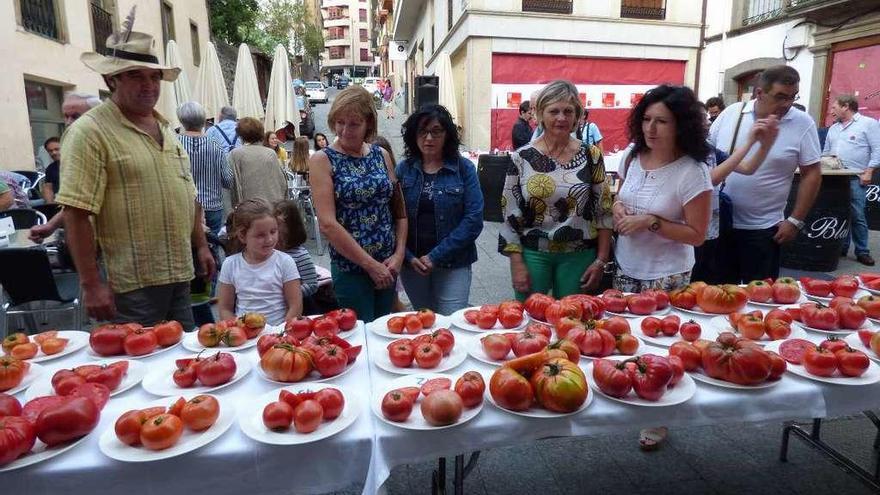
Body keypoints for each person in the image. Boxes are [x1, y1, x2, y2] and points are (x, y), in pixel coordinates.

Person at [59, 30, 215, 328]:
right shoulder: (89, 132)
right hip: (129, 285)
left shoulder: (168, 130)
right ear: (111, 80)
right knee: (138, 367)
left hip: (180, 273)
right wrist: (91, 285)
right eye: (135, 76)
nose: (149, 85)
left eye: (154, 77)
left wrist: (201, 246)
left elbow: (189, 195)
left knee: (181, 364)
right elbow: (76, 212)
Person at [499, 80, 613, 300]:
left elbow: (604, 210)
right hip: (533, 254)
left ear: (577, 115)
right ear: (540, 114)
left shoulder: (592, 156)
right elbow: (510, 212)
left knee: (574, 325)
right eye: (554, 111)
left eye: (568, 111)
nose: (561, 118)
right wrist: (516, 262)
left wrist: (601, 260)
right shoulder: (521, 157)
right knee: (530, 325)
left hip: (579, 255)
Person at [710, 65, 822, 283]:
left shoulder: (802, 122)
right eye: (780, 96)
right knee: (716, 294)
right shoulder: (732, 114)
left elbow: (812, 173)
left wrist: (795, 220)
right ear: (759, 92)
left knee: (760, 300)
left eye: (792, 97)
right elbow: (706, 159)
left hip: (764, 229)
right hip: (719, 223)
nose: (787, 104)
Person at [309, 85, 407, 322]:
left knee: (385, 330)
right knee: (359, 334)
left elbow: (399, 210)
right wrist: (371, 266)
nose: (344, 130)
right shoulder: (322, 160)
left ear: (369, 124)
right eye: (340, 122)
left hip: (388, 265)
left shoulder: (381, 155)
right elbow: (327, 224)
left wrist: (399, 255)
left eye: (354, 124)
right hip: (352, 269)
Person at [613, 84, 712, 293]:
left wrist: (651, 222)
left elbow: (697, 235)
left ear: (681, 126)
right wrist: (617, 207)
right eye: (647, 119)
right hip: (624, 266)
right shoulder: (632, 154)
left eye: (662, 121)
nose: (650, 128)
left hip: (667, 274)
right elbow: (620, 197)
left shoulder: (693, 171)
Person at [397, 105, 484, 314]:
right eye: (422, 131)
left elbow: (473, 219)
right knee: (424, 323)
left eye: (436, 131)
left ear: (447, 134)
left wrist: (435, 256)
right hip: (413, 265)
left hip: (454, 263)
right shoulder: (404, 169)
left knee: (452, 321)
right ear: (413, 135)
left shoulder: (464, 168)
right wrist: (408, 257)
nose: (429, 138)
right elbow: (393, 218)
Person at [692, 108, 780, 284]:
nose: (709, 122)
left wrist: (765, 145)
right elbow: (709, 181)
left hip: (710, 230)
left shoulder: (709, 150)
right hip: (686, 232)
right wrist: (749, 142)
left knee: (706, 282)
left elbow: (748, 168)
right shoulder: (681, 153)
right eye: (703, 118)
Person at [29, 92, 102, 242]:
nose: (68, 123)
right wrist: (51, 225)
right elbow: (76, 202)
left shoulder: (105, 148)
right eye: (65, 116)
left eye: (75, 116)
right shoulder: (74, 155)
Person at [218, 198, 302, 325]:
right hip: (245, 335)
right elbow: (224, 308)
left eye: (273, 232)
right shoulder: (230, 264)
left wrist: (282, 332)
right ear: (242, 236)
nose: (269, 239)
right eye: (260, 235)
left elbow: (295, 306)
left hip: (278, 334)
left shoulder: (285, 262)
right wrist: (238, 329)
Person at [824, 94, 880, 266]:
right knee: (838, 213)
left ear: (846, 106)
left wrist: (869, 171)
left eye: (834, 107)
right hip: (834, 178)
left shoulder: (868, 124)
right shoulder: (833, 128)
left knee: (857, 215)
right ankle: (841, 246)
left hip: (856, 177)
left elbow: (878, 149)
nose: (831, 110)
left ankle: (862, 251)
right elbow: (825, 152)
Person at [176, 101, 233, 235]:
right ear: (203, 121)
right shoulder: (215, 145)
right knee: (212, 248)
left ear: (182, 121)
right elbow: (228, 180)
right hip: (213, 206)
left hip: (185, 206)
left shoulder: (175, 145)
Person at [274, 199, 320, 313]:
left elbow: (312, 284)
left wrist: (288, 294)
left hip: (300, 308)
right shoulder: (267, 254)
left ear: (291, 228)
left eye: (277, 225)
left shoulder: (300, 255)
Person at [229, 117, 288, 206]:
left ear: (241, 134)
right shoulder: (270, 153)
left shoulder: (235, 154)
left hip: (249, 208)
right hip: (271, 206)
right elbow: (282, 183)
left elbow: (234, 186)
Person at [40, 137, 61, 203]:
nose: (53, 153)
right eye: (50, 151)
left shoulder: (76, 164)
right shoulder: (50, 168)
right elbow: (48, 188)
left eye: (57, 149)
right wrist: (50, 206)